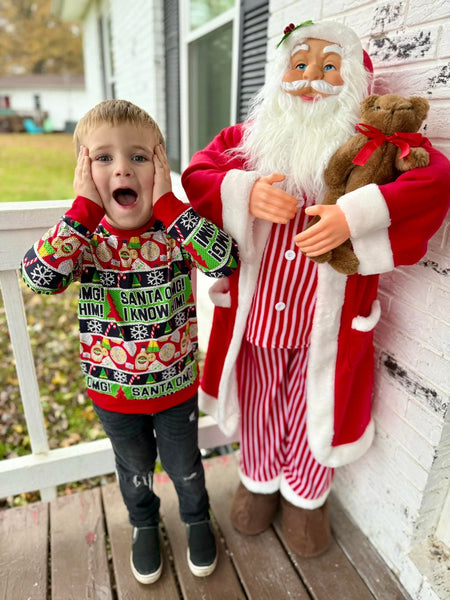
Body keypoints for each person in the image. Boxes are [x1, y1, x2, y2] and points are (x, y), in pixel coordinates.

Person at [181, 20, 450, 557]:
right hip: (257, 317)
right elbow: (197, 173)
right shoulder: (247, 141)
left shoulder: (377, 150)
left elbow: (434, 179)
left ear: (355, 83)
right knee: (259, 399)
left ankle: (307, 498)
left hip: (326, 323)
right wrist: (243, 191)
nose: (311, 80)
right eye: (299, 65)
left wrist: (355, 216)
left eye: (329, 68)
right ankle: (258, 482)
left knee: (317, 407)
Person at [21, 99, 239, 583]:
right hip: (113, 393)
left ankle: (195, 517)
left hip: (175, 388)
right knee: (134, 469)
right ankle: (143, 522)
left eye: (139, 157)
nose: (122, 168)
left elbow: (225, 259)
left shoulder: (175, 230)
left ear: (160, 167)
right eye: (103, 158)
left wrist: (170, 205)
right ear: (83, 172)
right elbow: (37, 278)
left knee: (185, 466)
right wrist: (82, 210)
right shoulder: (84, 237)